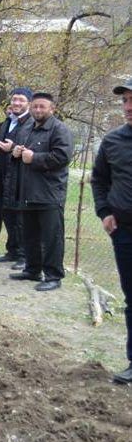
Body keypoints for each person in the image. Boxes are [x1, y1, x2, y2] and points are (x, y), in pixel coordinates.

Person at [8, 92, 73, 291]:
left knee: (51, 237)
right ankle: (32, 269)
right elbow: (23, 153)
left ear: (51, 109)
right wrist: (17, 153)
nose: (38, 110)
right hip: (29, 190)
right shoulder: (29, 129)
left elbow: (62, 157)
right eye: (35, 106)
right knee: (30, 234)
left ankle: (53, 276)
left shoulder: (60, 129)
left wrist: (34, 158)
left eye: (42, 107)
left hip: (49, 192)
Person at [91, 78, 132, 383]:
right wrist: (104, 212)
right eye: (125, 101)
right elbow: (99, 180)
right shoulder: (113, 141)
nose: (128, 108)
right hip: (125, 232)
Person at [0, 88, 33, 267]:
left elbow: (29, 146)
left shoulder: (31, 123)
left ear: (28, 103)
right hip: (2, 174)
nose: (16, 103)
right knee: (6, 213)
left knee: (20, 216)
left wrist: (12, 146)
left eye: (21, 100)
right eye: (14, 100)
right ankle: (12, 250)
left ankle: (24, 255)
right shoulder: (7, 123)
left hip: (21, 177)